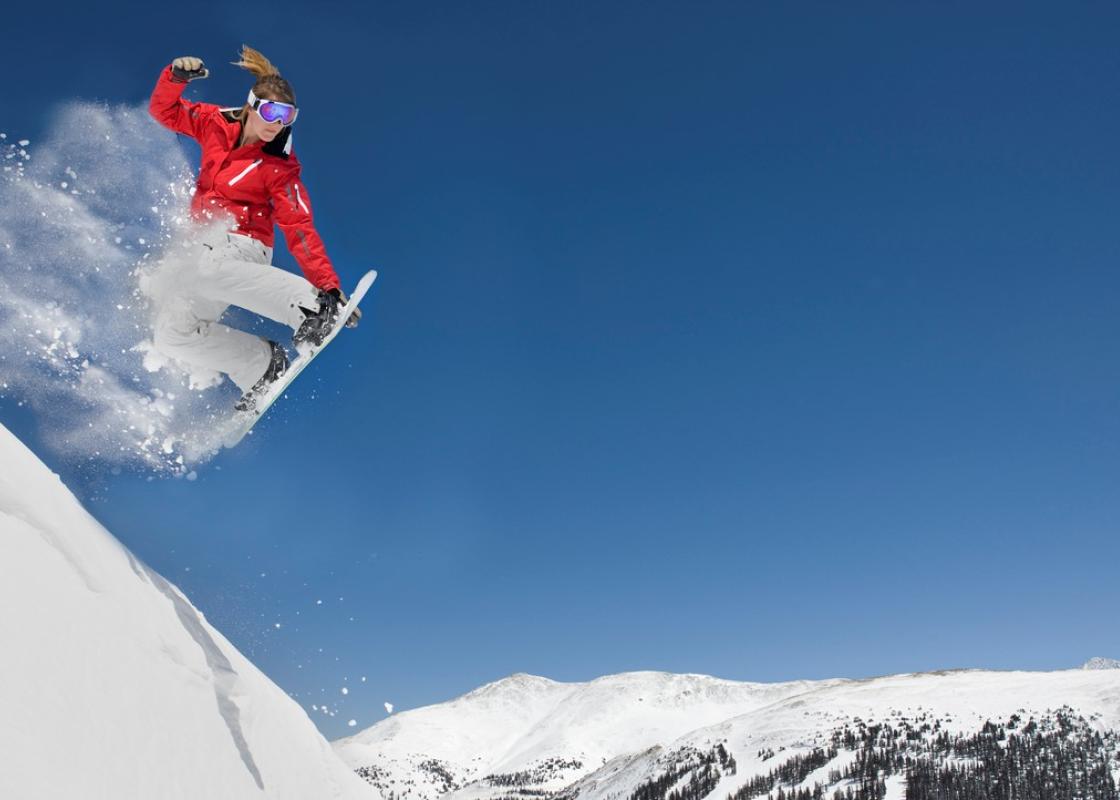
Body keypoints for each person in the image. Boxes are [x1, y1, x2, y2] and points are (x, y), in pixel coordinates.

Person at [147, 45, 358, 411]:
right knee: (171, 334)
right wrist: (175, 78)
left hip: (243, 246)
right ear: (252, 105)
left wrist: (327, 287)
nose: (277, 123)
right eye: (272, 112)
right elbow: (164, 111)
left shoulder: (279, 165)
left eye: (287, 116)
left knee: (203, 270)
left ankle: (311, 307)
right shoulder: (213, 123)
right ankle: (259, 365)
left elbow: (298, 224)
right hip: (204, 250)